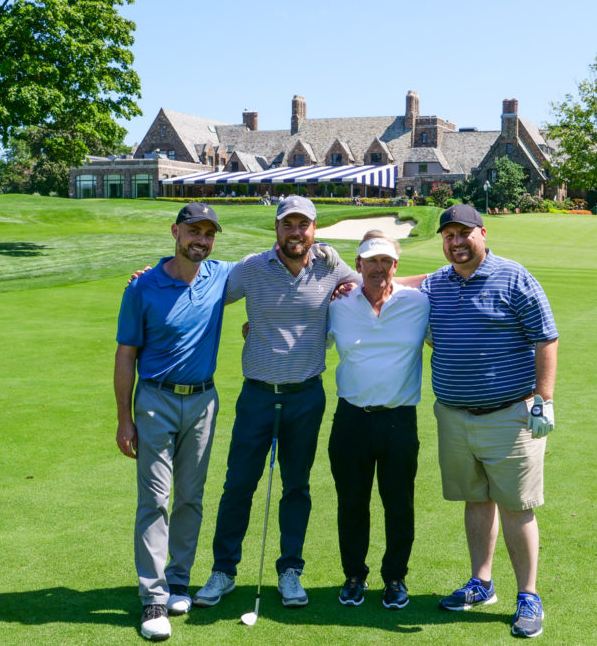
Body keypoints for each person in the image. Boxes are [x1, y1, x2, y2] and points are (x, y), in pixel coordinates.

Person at [194, 196, 359, 609]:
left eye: (303, 224)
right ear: (277, 228)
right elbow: (204, 288)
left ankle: (290, 571)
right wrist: (152, 277)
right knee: (238, 485)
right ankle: (223, 571)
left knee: (297, 487)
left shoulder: (329, 265)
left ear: (314, 229)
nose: (296, 232)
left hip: (306, 396)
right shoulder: (251, 268)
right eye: (289, 224)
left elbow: (372, 283)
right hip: (257, 396)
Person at [422, 204, 558, 639]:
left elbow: (546, 337)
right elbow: (397, 286)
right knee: (475, 499)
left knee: (517, 506)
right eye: (448, 236)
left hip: (510, 416)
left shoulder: (514, 276)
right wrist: (353, 279)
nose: (456, 243)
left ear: (482, 233)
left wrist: (545, 400)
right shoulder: (436, 284)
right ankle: (481, 583)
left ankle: (528, 595)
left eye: (464, 234)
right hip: (454, 416)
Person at [114, 202, 230, 641]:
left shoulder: (222, 275)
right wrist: (124, 419)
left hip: (203, 401)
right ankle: (153, 597)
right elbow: (126, 354)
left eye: (208, 233)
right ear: (175, 232)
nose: (201, 239)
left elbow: (275, 268)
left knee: (191, 497)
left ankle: (179, 579)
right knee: (155, 498)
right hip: (155, 401)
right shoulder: (143, 286)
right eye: (193, 231)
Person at [326, 231, 429, 610]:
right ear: (358, 266)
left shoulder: (418, 304)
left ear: (396, 266)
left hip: (399, 421)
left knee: (399, 504)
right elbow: (304, 337)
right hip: (351, 419)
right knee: (352, 502)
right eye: (371, 260)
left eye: (386, 261)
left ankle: (395, 578)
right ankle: (354, 575)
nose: (379, 267)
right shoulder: (338, 304)